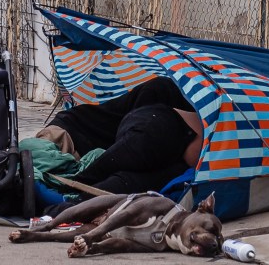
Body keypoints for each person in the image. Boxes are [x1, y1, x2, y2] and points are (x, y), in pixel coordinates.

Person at [35, 76, 203, 195]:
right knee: (33, 169)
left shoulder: (161, 115)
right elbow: (135, 144)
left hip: (80, 142)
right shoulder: (158, 102)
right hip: (66, 136)